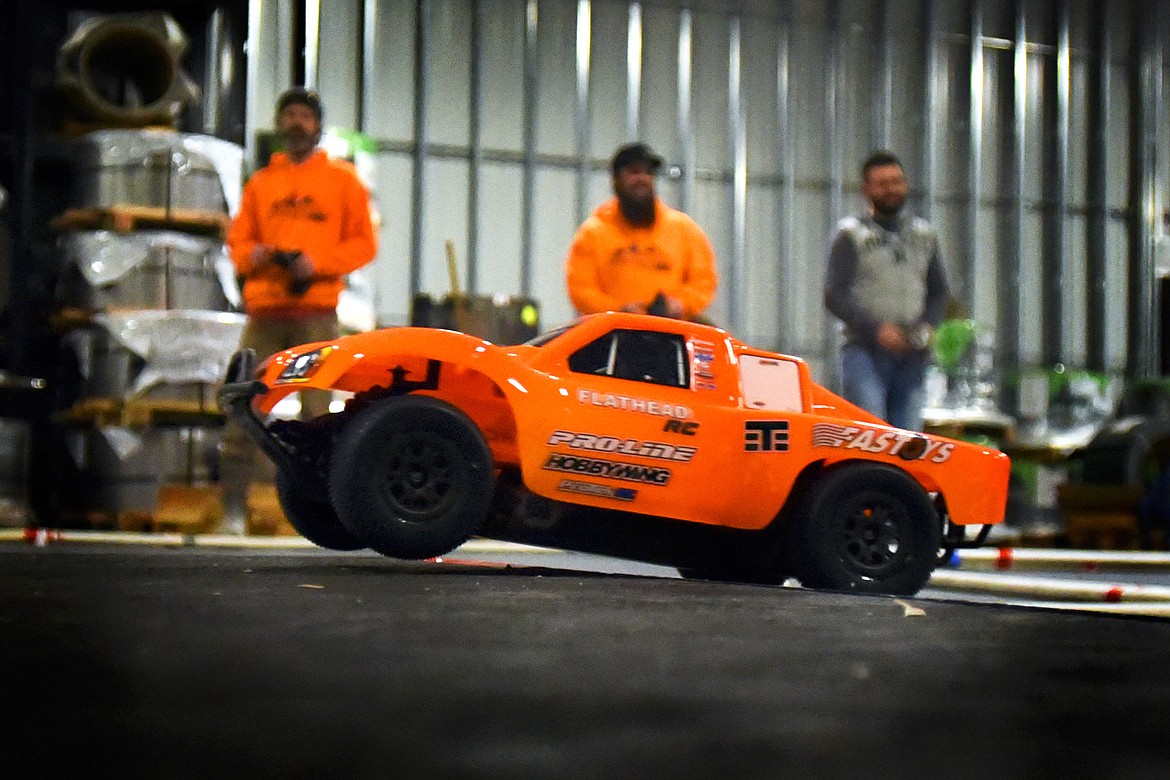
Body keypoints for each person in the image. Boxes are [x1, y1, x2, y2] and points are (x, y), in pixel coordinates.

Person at [220, 87, 378, 533]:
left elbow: (365, 244)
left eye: (303, 116)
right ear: (279, 125)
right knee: (244, 409)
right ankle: (232, 511)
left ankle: (323, 513)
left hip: (315, 314)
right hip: (265, 314)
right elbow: (238, 242)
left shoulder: (344, 182)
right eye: (287, 114)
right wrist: (255, 256)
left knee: (319, 418)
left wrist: (316, 264)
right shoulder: (260, 184)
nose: (295, 123)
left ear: (317, 126)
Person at [824, 150, 950, 432]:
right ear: (866, 190)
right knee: (873, 433)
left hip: (913, 354)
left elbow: (939, 291)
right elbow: (834, 294)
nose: (891, 189)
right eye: (882, 183)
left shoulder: (924, 235)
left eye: (896, 181)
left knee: (909, 437)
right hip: (865, 352)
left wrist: (929, 325)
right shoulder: (851, 235)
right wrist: (877, 330)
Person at [565, 142, 717, 321]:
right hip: (611, 334)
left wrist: (679, 304)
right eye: (634, 172)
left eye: (648, 173)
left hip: (671, 331)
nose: (643, 179)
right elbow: (580, 289)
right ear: (615, 179)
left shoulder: (684, 229)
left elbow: (704, 281)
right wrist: (618, 310)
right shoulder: (593, 233)